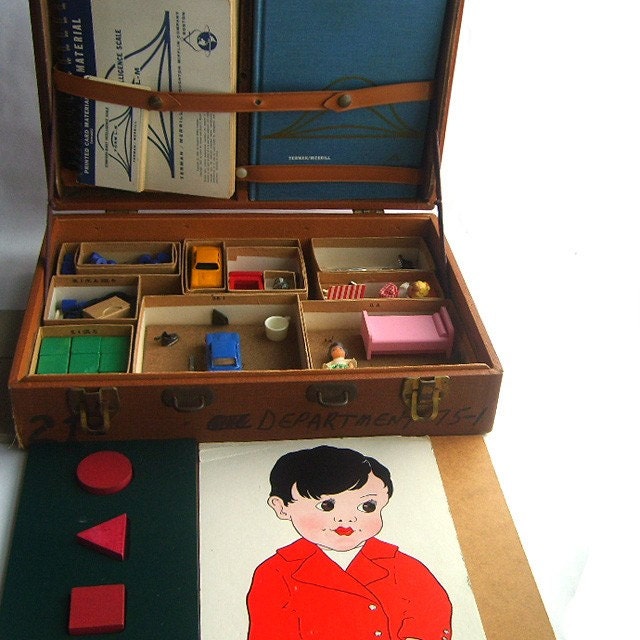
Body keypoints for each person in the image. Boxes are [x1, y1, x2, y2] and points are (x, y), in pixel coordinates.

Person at [246, 445, 452, 640]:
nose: (347, 518)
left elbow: (431, 612)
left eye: (367, 506)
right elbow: (270, 630)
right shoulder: (276, 572)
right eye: (326, 505)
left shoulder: (401, 566)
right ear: (281, 507)